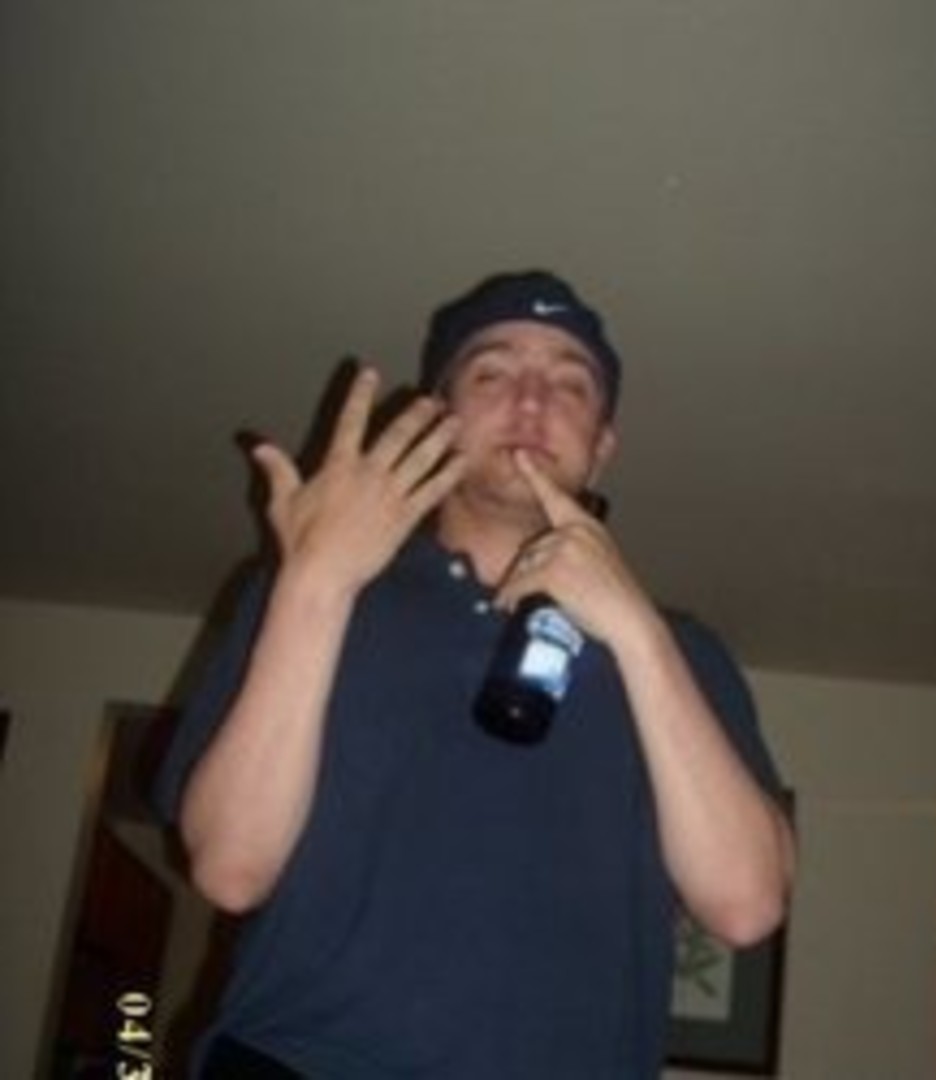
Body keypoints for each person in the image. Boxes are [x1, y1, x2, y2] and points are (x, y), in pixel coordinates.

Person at [155, 270, 795, 1079]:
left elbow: (746, 905)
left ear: (602, 447)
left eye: (571, 384)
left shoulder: (683, 654)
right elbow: (230, 868)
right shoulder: (314, 593)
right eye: (493, 373)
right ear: (440, 419)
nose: (531, 400)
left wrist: (638, 634)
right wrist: (314, 583)